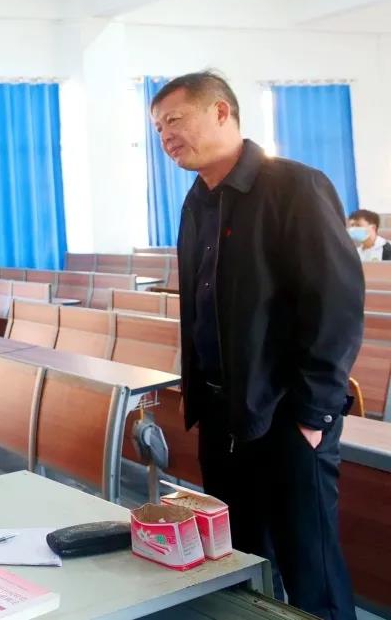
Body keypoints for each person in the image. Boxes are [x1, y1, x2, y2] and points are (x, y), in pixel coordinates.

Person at [151, 72, 363, 620]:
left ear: (221, 112)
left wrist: (313, 416)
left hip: (288, 416)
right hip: (223, 415)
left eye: (174, 120)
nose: (165, 136)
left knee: (310, 571)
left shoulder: (294, 186)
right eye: (158, 128)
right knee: (243, 562)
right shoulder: (197, 201)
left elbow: (336, 307)